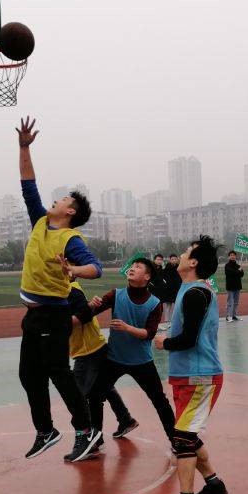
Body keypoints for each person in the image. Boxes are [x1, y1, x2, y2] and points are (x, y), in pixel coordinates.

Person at [15, 116, 103, 462]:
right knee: (28, 374)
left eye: (63, 198)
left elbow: (95, 269)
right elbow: (28, 186)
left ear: (70, 211)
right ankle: (46, 430)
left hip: (54, 315)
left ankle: (85, 430)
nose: (56, 199)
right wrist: (24, 148)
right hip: (33, 316)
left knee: (58, 373)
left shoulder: (70, 238)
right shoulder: (40, 221)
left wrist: (73, 269)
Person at [152, 236, 226, 494]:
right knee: (188, 436)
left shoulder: (197, 293)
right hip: (187, 376)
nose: (181, 255)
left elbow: (188, 339)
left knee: (183, 439)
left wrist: (164, 343)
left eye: (186, 252)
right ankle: (214, 484)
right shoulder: (188, 289)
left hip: (200, 376)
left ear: (193, 262)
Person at [84, 258, 176, 461]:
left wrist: (127, 328)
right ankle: (95, 441)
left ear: (147, 276)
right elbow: (90, 313)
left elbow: (149, 334)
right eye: (132, 266)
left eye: (138, 267)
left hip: (142, 361)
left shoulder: (154, 303)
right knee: (95, 395)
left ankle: (175, 440)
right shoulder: (116, 294)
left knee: (159, 400)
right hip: (114, 358)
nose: (132, 268)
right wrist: (91, 305)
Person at [67, 280, 137, 458]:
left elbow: (82, 316)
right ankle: (125, 419)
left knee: (78, 396)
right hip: (94, 347)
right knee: (101, 389)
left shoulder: (71, 291)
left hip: (88, 351)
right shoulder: (70, 290)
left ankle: (89, 440)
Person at [158, 253, 180, 329]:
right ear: (170, 260)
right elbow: (163, 278)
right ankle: (167, 321)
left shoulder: (179, 267)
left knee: (177, 305)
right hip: (168, 290)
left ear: (177, 259)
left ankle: (174, 321)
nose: (174, 260)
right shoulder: (167, 268)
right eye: (172, 259)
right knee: (168, 305)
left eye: (175, 259)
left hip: (177, 289)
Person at [224, 250, 244, 322]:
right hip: (230, 286)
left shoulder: (238, 266)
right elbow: (230, 273)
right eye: (231, 255)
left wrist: (240, 271)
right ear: (229, 257)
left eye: (234, 255)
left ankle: (234, 316)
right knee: (230, 302)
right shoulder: (227, 265)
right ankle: (228, 316)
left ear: (236, 256)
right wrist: (238, 271)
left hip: (237, 286)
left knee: (236, 302)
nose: (232, 256)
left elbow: (242, 274)